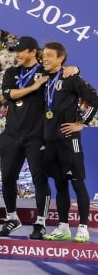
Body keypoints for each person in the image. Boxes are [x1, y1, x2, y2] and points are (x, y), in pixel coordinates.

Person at [0, 36, 77, 239]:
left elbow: (66, 73)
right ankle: (12, 217)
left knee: (39, 179)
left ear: (33, 52)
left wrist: (75, 70)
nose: (17, 54)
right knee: (7, 178)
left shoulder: (47, 72)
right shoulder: (11, 72)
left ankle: (40, 222)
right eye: (16, 51)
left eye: (21, 51)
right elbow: (9, 94)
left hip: (37, 136)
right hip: (12, 134)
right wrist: (33, 87)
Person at [39, 42, 98, 243]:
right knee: (60, 184)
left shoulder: (71, 77)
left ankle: (83, 227)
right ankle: (63, 227)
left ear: (60, 58)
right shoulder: (44, 78)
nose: (44, 58)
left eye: (48, 55)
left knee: (77, 183)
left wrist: (82, 123)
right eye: (43, 55)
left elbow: (95, 99)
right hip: (49, 141)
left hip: (68, 141)